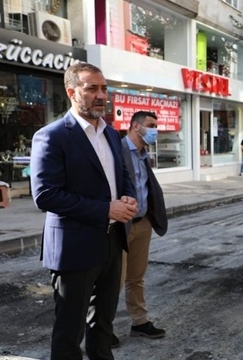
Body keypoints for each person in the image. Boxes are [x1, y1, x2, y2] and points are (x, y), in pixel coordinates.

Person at [30, 62, 138, 360]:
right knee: (69, 331)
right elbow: (46, 195)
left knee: (103, 325)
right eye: (92, 88)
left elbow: (122, 176)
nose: (101, 95)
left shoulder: (112, 135)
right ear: (72, 92)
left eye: (104, 88)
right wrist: (107, 209)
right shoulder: (52, 136)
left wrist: (128, 198)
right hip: (73, 248)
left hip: (112, 243)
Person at [114, 111, 169, 347]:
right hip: (119, 225)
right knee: (113, 280)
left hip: (142, 223)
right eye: (151, 125)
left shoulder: (144, 155)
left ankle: (139, 322)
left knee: (136, 278)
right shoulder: (116, 150)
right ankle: (101, 327)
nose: (155, 130)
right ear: (136, 127)